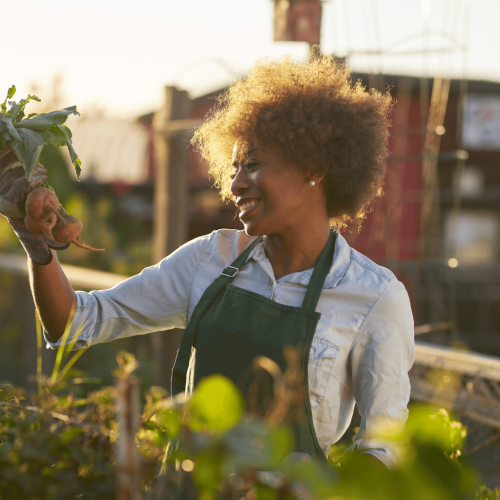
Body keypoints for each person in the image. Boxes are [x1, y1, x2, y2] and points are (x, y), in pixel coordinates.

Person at [0, 54, 414, 469]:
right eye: (233, 168)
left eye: (252, 164)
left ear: (315, 167)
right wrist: (35, 242)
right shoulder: (208, 259)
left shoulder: (375, 297)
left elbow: (385, 450)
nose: (235, 184)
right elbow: (74, 323)